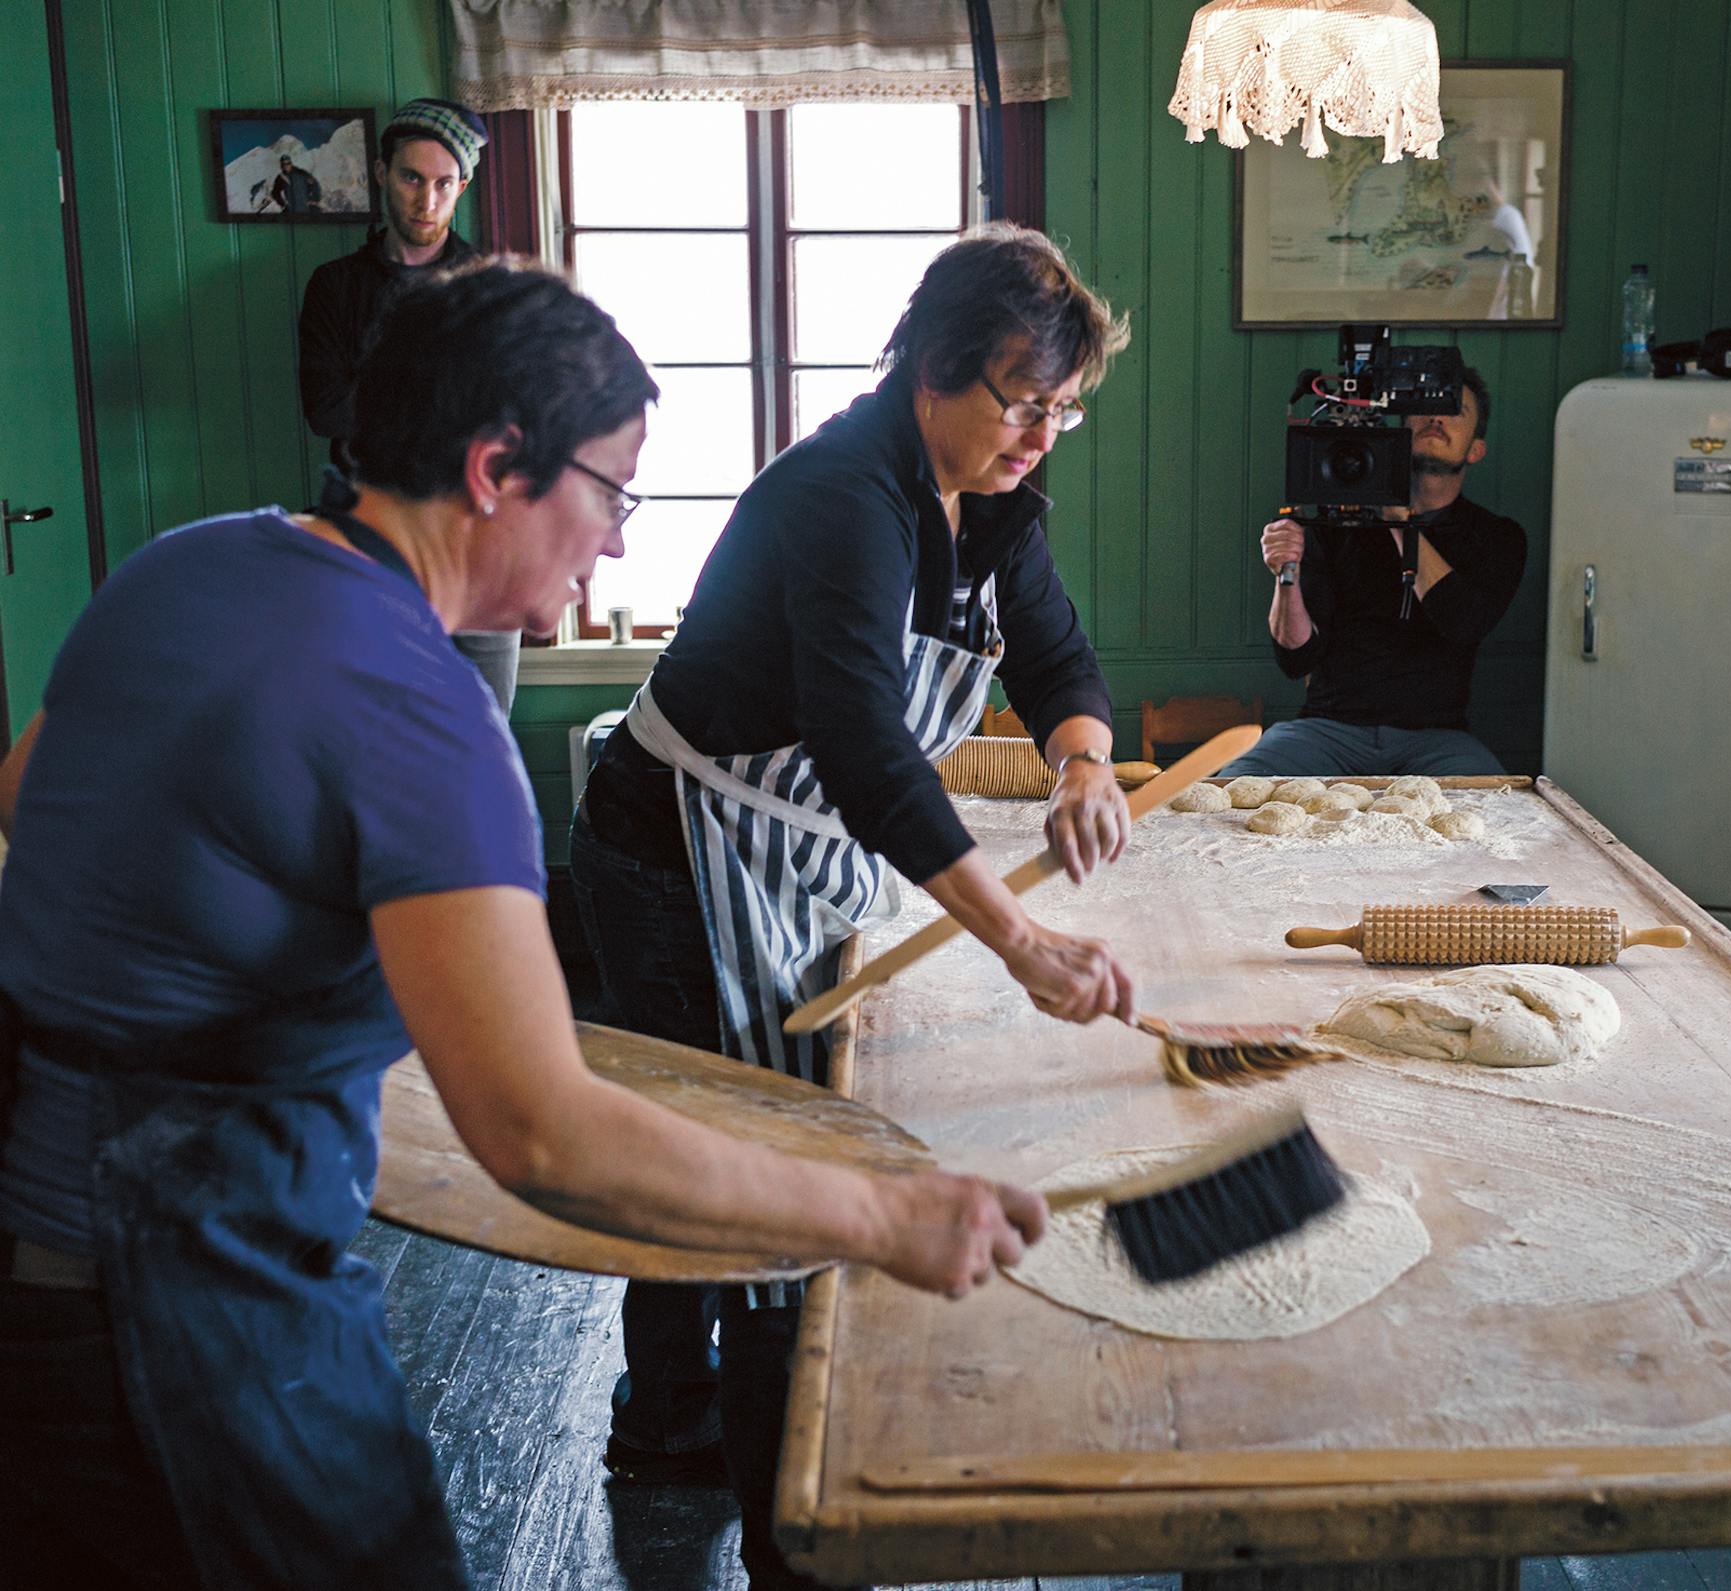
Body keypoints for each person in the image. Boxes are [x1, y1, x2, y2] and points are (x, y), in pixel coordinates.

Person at [0, 260, 1047, 1591]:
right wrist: (884, 1215)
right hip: (184, 1305)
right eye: (611, 490)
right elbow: (541, 1128)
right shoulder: (417, 709)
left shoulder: (183, 569)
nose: (616, 538)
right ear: (498, 466)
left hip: (35, 1281)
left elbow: (30, 804)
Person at [571, 221, 1134, 1588]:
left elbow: (1055, 646)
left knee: (772, 1134)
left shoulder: (991, 493)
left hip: (796, 848)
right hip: (677, 848)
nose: (1042, 433)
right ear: (936, 367)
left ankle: (707, 1425)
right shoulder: (848, 490)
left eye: (1063, 408)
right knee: (741, 1171)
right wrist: (1019, 937)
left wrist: (1085, 759)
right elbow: (865, 742)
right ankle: (745, 1491)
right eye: (1022, 399)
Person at [298, 97, 520, 713]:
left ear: (463, 186)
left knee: (484, 734)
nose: (427, 201)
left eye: (443, 183)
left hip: (479, 543)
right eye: (412, 179)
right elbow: (326, 411)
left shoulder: (493, 288)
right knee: (373, 735)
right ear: (381, 174)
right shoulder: (335, 288)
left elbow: (508, 418)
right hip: (370, 543)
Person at [1218, 365, 1527, 778]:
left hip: (1438, 737)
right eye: (1424, 408)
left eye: (1455, 409)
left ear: (1476, 449)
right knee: (1230, 791)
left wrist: (1399, 520)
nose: (1436, 418)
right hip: (1328, 729)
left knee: (1493, 810)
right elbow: (1296, 658)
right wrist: (1285, 575)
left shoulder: (1497, 537)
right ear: (1399, 432)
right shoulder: (1338, 528)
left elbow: (1463, 621)